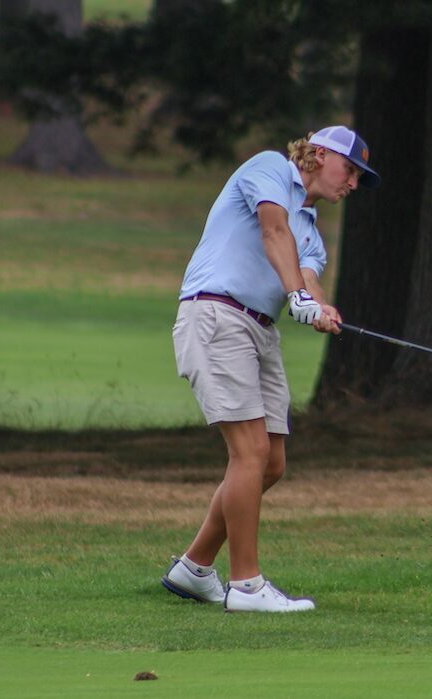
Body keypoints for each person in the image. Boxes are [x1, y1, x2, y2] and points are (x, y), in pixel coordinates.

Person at [161, 125, 379, 612]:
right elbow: (271, 230)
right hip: (217, 314)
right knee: (251, 452)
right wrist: (299, 296)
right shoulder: (269, 170)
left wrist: (322, 309)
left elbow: (306, 278)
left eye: (360, 178)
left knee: (271, 463)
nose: (353, 184)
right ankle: (246, 586)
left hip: (259, 332)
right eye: (351, 170)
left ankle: (194, 568)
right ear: (319, 155)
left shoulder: (311, 231)